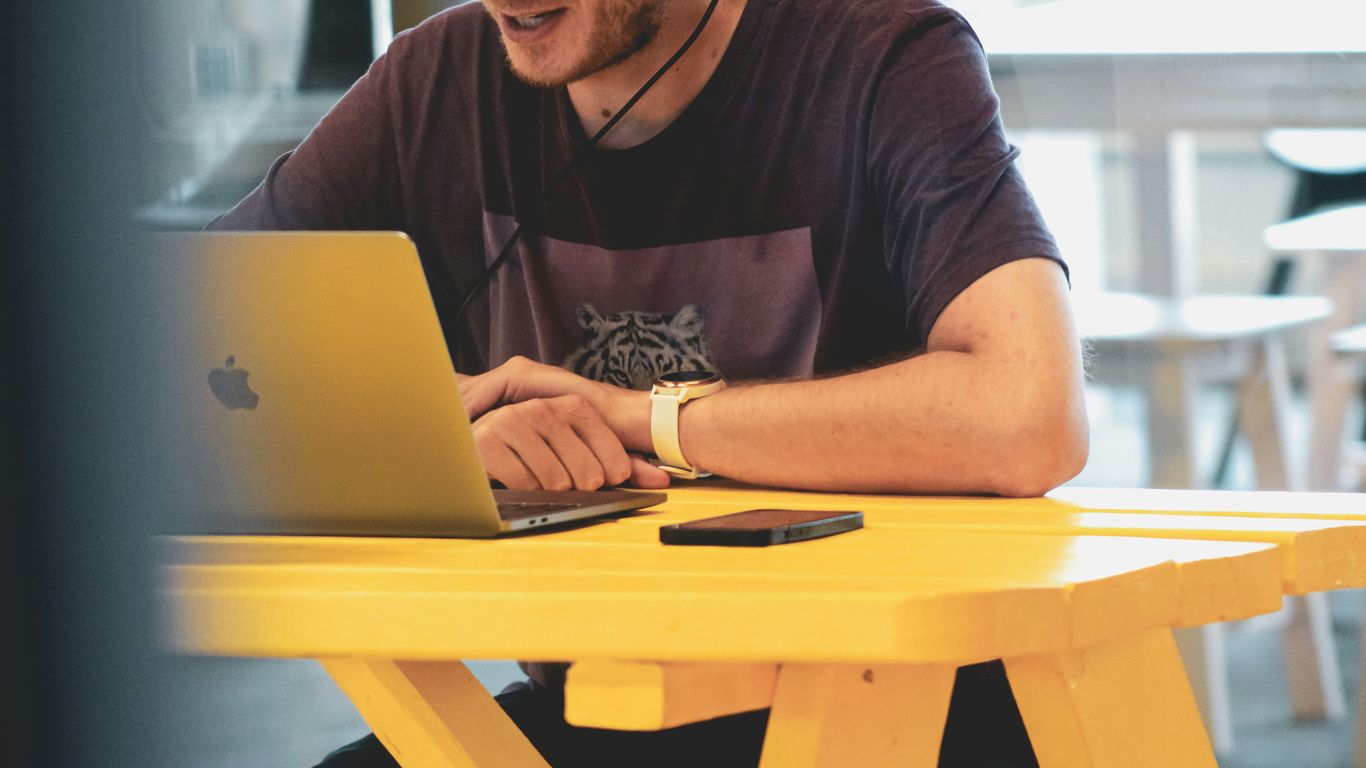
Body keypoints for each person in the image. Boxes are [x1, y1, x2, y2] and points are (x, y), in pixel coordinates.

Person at [212, 0, 1089, 765]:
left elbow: (1029, 414)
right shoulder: (434, 80)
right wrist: (440, 418)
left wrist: (641, 419)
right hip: (610, 705)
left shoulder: (882, 52)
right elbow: (178, 344)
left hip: (902, 708)